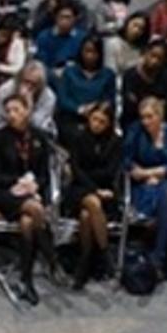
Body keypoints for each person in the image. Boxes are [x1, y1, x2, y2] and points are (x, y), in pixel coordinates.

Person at [0, 92, 58, 304]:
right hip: (6, 193)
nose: (11, 115)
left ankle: (27, 281)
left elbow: (45, 174)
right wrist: (18, 183)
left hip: (31, 192)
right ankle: (52, 255)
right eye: (8, 111)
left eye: (16, 110)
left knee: (28, 222)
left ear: (28, 111)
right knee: (35, 209)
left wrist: (34, 184)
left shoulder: (39, 138)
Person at [124, 96, 167, 286]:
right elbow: (127, 160)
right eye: (143, 117)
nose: (145, 121)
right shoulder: (135, 131)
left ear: (160, 116)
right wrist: (142, 175)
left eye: (150, 117)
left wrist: (154, 173)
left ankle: (158, 256)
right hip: (144, 186)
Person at [65, 101, 122, 289]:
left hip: (106, 192)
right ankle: (105, 253)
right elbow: (77, 169)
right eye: (94, 119)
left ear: (108, 124)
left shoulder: (115, 142)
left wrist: (99, 184)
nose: (96, 124)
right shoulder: (78, 137)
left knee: (86, 215)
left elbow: (111, 172)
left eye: (102, 121)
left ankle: (84, 261)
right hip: (81, 189)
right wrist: (95, 188)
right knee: (92, 202)